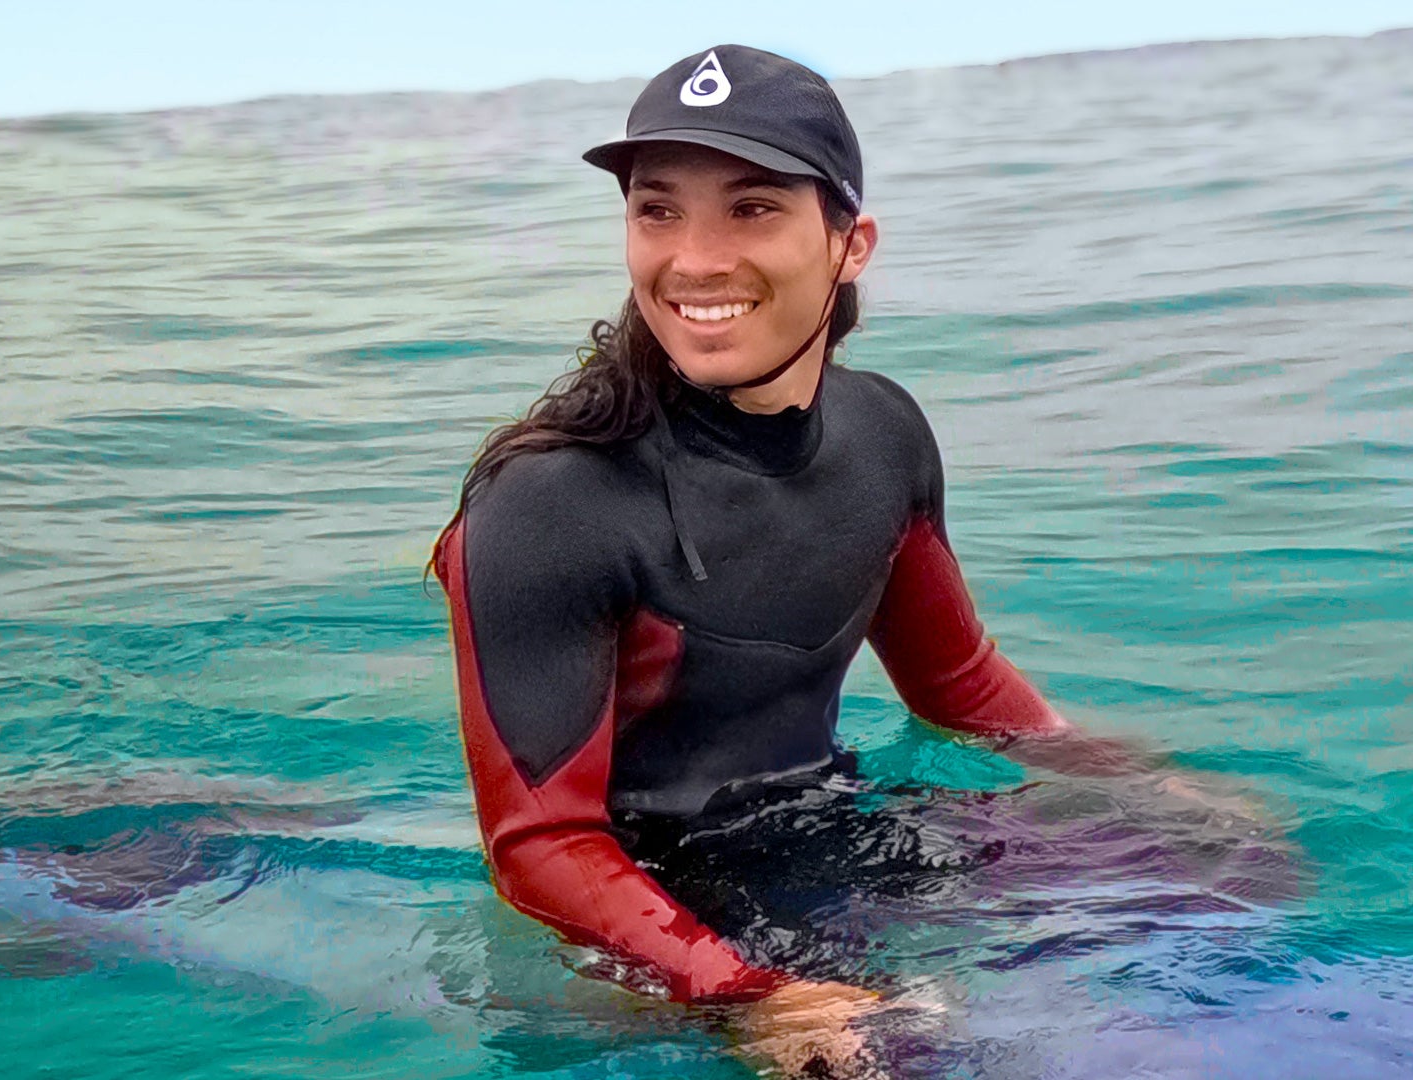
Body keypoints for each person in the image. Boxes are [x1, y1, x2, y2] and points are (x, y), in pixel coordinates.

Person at [429, 44, 1241, 1076]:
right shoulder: (551, 502)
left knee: (1231, 881)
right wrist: (755, 1000)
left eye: (753, 208)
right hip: (663, 914)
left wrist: (1144, 788)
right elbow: (541, 847)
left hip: (842, 834)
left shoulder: (883, 433)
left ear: (851, 243)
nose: (695, 258)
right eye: (657, 210)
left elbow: (964, 690)